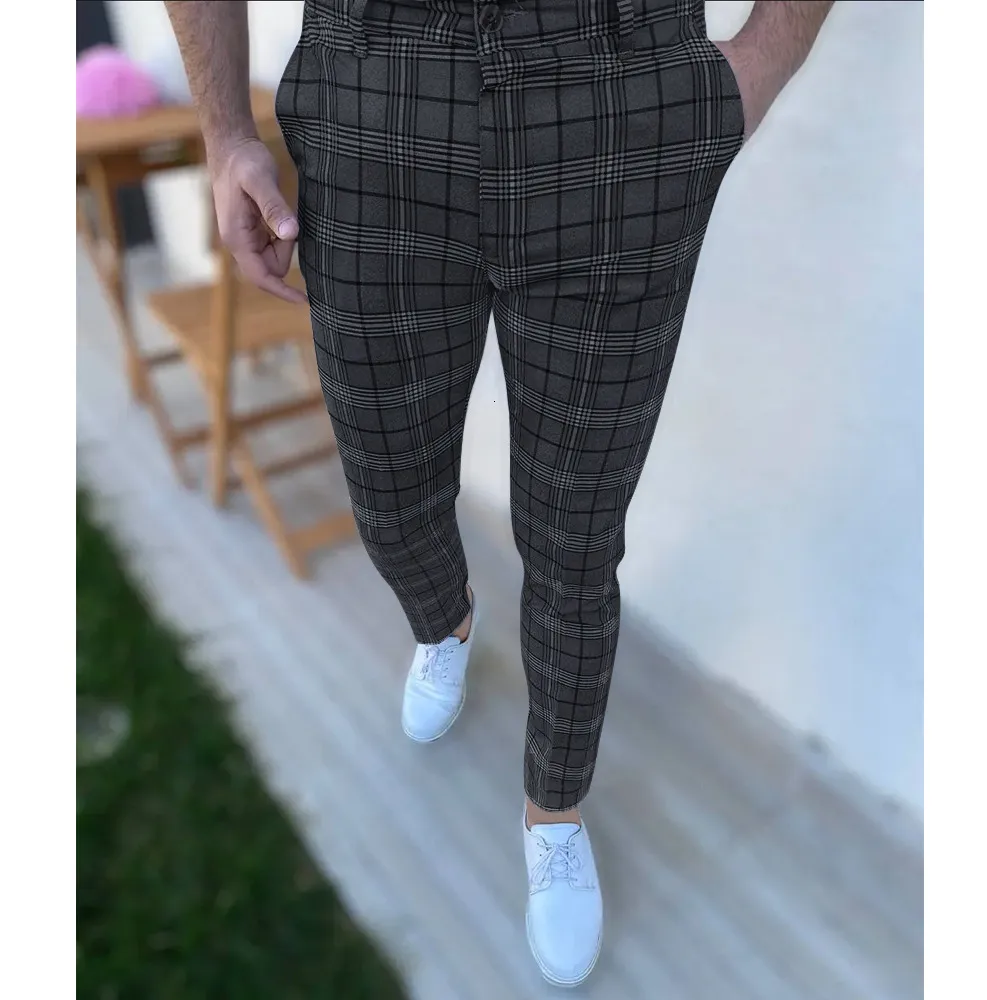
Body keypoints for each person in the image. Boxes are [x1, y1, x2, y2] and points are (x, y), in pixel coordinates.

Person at [165, 0, 834, 986]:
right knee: (387, 493)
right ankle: (445, 618)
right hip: (373, 96)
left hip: (620, 94)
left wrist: (760, 63)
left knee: (575, 536)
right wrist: (225, 133)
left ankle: (553, 810)